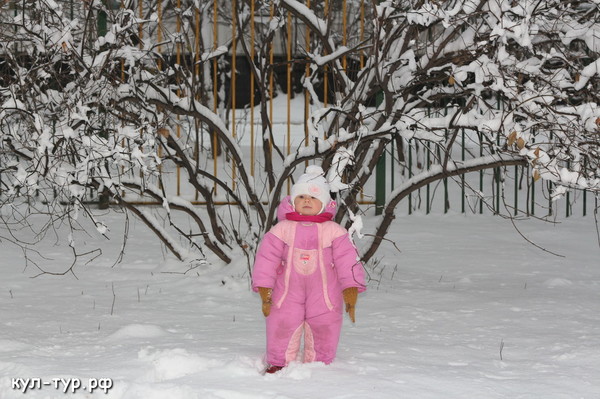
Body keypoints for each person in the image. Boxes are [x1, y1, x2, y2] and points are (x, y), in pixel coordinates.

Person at [252, 165, 367, 374]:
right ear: (293, 201)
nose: (307, 201)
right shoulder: (282, 229)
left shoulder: (334, 231)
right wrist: (264, 287)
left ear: (324, 204)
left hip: (324, 292)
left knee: (325, 323)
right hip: (287, 291)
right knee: (282, 322)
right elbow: (267, 258)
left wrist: (350, 287)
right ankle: (279, 361)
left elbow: (347, 259)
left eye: (313, 198)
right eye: (302, 196)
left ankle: (319, 364)